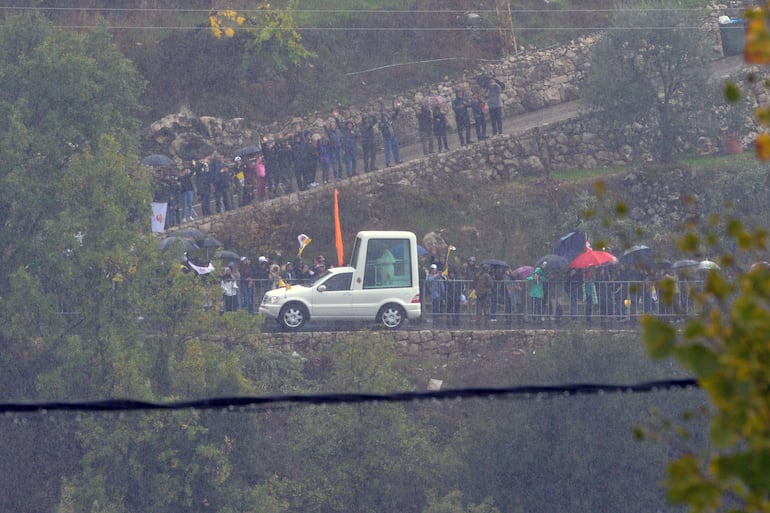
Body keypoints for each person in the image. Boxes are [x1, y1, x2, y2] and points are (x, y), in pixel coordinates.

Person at [474, 263, 494, 328]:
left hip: (479, 294)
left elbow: (474, 283)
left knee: (479, 310)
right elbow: (491, 284)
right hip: (486, 294)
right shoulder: (487, 276)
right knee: (486, 310)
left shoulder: (478, 275)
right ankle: (486, 323)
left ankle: (478, 322)